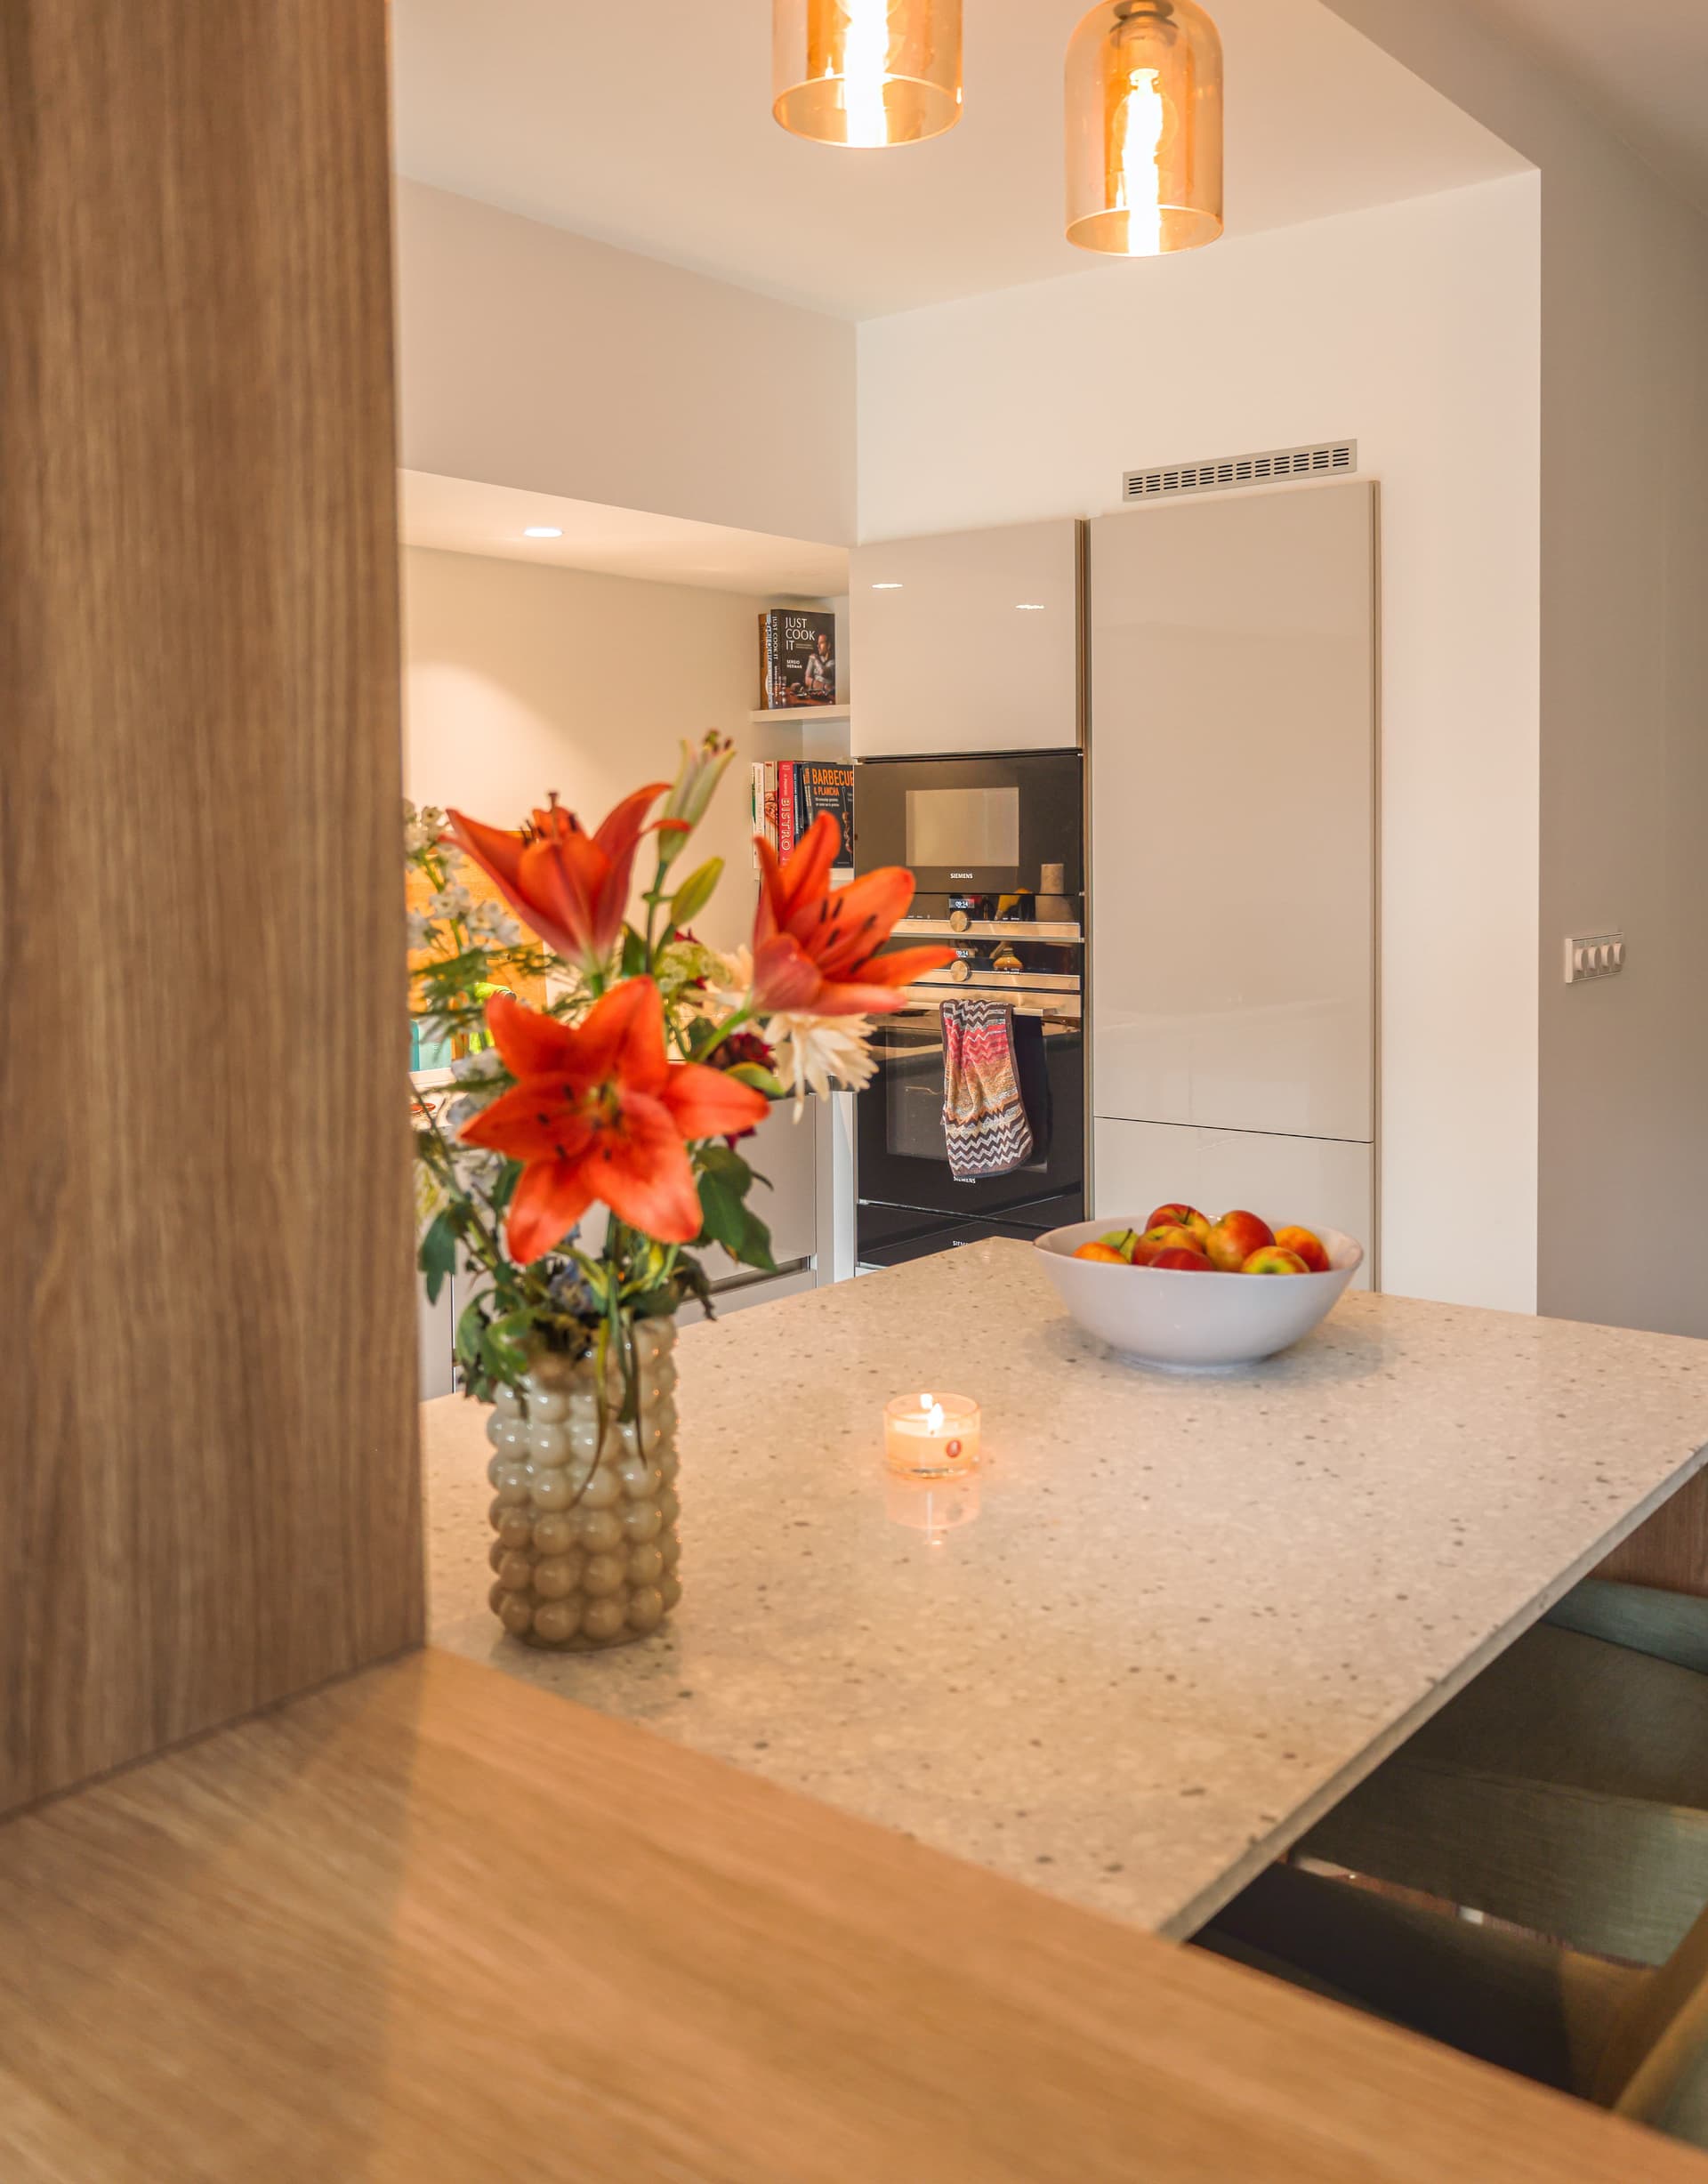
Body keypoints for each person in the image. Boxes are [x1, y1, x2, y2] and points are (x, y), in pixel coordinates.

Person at [804, 627, 835, 701]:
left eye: (821, 643)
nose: (818, 646)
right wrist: (825, 686)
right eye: (818, 644)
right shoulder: (813, 659)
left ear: (829, 645)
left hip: (828, 698)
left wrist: (815, 660)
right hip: (812, 696)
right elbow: (806, 680)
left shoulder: (834, 662)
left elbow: (823, 672)